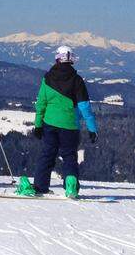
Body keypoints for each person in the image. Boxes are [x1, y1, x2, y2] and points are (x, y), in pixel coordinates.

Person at [31, 46, 98, 198]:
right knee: (69, 156)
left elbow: (41, 102)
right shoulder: (77, 80)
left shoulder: (47, 78)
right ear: (71, 60)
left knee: (47, 154)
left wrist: (38, 124)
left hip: (50, 123)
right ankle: (71, 185)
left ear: (57, 58)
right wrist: (92, 129)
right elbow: (85, 106)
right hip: (69, 125)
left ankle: (40, 186)